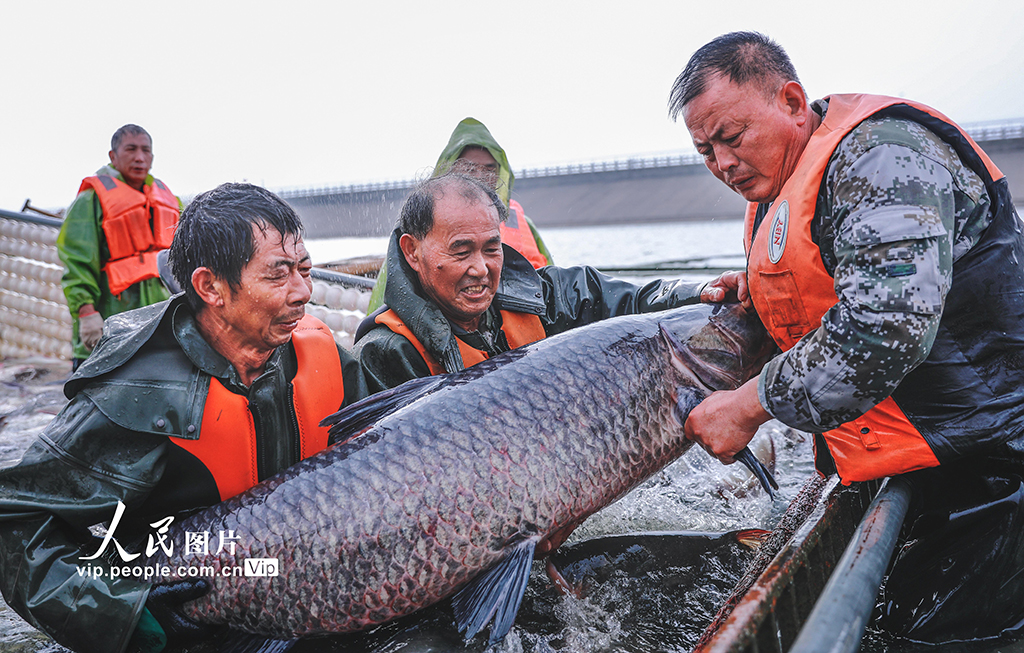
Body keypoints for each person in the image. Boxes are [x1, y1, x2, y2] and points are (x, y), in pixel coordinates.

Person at [671, 31, 1024, 642]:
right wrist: (760, 293)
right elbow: (831, 288)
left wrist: (748, 406)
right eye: (705, 150)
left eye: (732, 137)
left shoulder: (881, 156)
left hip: (991, 466)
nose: (722, 163)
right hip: (915, 462)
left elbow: (885, 327)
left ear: (790, 101)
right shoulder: (778, 191)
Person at [0, 183, 368, 652]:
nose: (303, 292)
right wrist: (127, 615)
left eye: (305, 269)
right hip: (193, 624)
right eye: (278, 275)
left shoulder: (326, 357)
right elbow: (16, 521)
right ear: (210, 286)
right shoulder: (136, 395)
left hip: (309, 603)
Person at [355, 171, 725, 392]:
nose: (481, 268)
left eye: (491, 248)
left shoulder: (541, 296)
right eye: (461, 251)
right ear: (412, 251)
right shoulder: (386, 352)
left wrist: (698, 294)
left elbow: (627, 301)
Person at [366, 117, 553, 312]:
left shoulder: (524, 224)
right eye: (469, 168)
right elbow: (390, 295)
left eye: (489, 168)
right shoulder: (421, 224)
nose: (480, 176)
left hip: (525, 323)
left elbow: (551, 283)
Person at [58, 124, 183, 368]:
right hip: (109, 322)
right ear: (113, 156)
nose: (139, 157)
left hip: (157, 327)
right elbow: (76, 262)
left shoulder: (168, 199)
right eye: (131, 149)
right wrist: (86, 313)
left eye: (145, 150)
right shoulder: (91, 200)